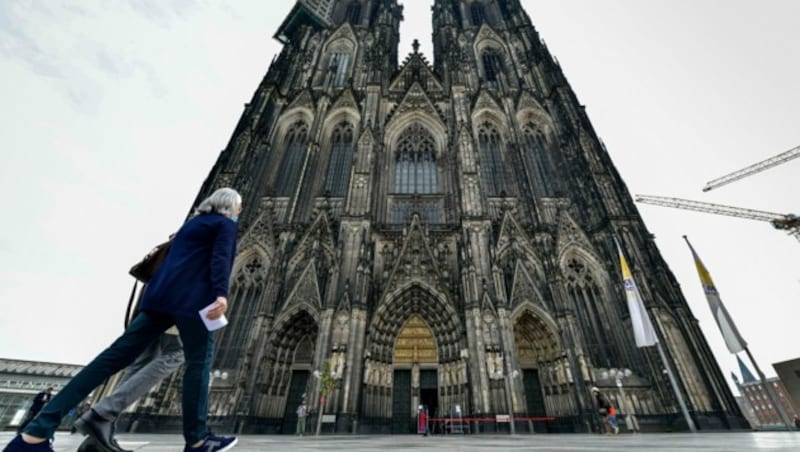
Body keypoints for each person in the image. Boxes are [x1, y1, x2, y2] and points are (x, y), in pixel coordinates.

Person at [4, 187, 242, 452]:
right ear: (230, 207)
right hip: (191, 303)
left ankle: (33, 435)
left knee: (109, 360)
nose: (239, 212)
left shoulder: (191, 225)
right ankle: (197, 439)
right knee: (198, 364)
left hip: (156, 301)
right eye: (238, 208)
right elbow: (221, 259)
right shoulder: (225, 225)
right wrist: (221, 295)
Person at [75, 330, 184, 452]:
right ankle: (102, 414)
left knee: (144, 362)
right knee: (177, 352)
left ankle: (97, 439)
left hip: (153, 314)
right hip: (178, 316)